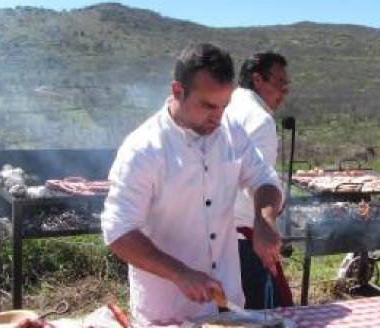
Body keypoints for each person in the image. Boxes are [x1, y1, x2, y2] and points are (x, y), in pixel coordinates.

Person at [101, 43, 284, 323]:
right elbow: (118, 231)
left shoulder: (231, 131)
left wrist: (264, 220)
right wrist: (179, 273)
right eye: (208, 106)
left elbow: (265, 180)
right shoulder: (143, 149)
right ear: (178, 91)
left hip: (228, 301)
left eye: (224, 106)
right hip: (169, 311)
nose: (217, 117)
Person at [225, 52, 293, 309]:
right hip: (247, 236)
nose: (284, 90)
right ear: (257, 79)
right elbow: (257, 182)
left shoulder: (227, 105)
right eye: (279, 82)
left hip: (219, 234)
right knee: (260, 310)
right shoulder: (260, 119)